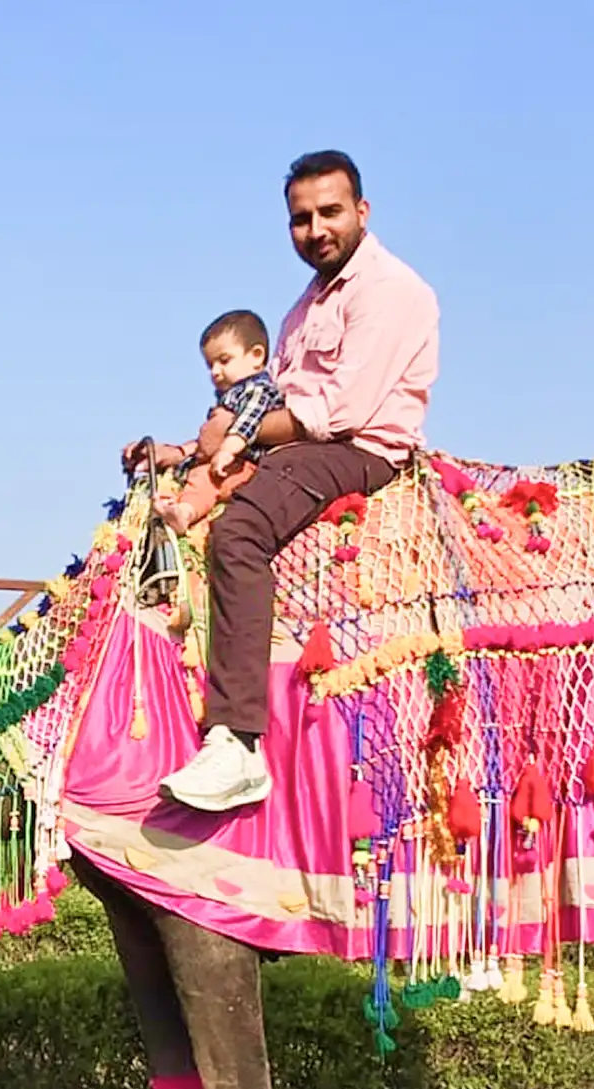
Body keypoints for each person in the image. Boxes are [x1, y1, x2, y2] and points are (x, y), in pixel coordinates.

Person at [159, 149, 439, 813]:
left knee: (241, 532)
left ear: (361, 212)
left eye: (329, 213)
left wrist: (238, 438)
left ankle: (238, 741)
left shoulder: (391, 291)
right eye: (301, 218)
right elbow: (271, 398)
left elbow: (336, 414)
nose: (315, 229)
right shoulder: (300, 310)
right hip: (296, 444)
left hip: (357, 450)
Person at [137, 309, 282, 534]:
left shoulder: (257, 389)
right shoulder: (232, 394)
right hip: (230, 461)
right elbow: (208, 438)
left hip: (247, 464)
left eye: (224, 360)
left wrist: (227, 450)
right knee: (194, 474)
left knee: (206, 478)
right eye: (210, 365)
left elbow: (247, 422)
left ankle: (185, 513)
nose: (215, 372)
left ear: (256, 355)